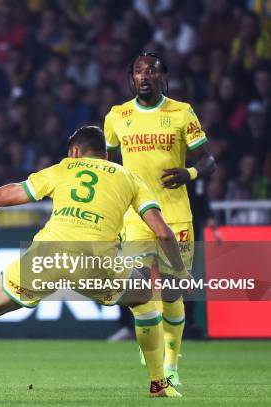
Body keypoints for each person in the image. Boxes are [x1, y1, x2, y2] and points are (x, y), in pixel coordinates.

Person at [0, 126, 188, 398]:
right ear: (106, 155)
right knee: (144, 298)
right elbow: (163, 233)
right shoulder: (129, 177)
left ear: (74, 152)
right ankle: (158, 382)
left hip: (49, 256)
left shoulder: (63, 169)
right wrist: (178, 271)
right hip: (99, 261)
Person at [103, 52, 216, 384]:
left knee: (172, 292)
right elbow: (107, 167)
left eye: (151, 71)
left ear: (163, 76)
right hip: (135, 217)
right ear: (131, 77)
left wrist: (191, 172)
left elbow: (209, 160)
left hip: (176, 216)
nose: (144, 76)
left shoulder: (182, 113)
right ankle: (150, 339)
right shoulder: (116, 116)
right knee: (137, 289)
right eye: (138, 71)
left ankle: (171, 367)